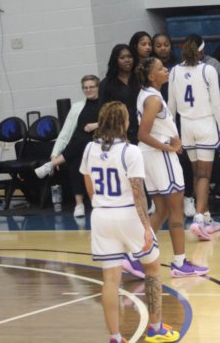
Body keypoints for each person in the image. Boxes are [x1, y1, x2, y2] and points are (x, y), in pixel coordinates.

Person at [79, 101, 180, 343]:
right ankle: (155, 328)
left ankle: (115, 337)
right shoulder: (130, 151)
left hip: (101, 215)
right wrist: (146, 227)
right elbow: (138, 194)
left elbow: (89, 186)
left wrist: (102, 206)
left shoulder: (89, 149)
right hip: (128, 215)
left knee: (110, 280)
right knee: (152, 267)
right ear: (124, 123)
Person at [136, 57, 209, 277]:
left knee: (162, 210)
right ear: (151, 76)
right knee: (177, 211)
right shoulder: (153, 100)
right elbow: (142, 134)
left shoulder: (147, 94)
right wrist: (169, 147)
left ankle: (138, 256)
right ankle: (179, 263)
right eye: (160, 68)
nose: (166, 70)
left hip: (151, 157)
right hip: (160, 156)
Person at [168, 35, 220, 240]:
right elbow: (217, 105)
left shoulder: (174, 71)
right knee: (204, 175)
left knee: (196, 174)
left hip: (186, 126)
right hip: (205, 124)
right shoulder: (208, 70)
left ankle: (207, 217)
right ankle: (199, 219)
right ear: (201, 50)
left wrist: (173, 135)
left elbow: (171, 106)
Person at [35, 75, 101, 218]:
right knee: (76, 156)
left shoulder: (106, 104)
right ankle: (79, 204)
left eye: (91, 87)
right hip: (78, 147)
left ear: (97, 87)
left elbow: (115, 121)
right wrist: (54, 153)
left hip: (99, 143)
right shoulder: (77, 107)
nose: (88, 90)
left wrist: (96, 125)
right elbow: (65, 132)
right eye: (85, 88)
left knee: (83, 140)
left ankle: (50, 166)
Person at [100, 44, 140, 144]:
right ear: (115, 60)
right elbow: (105, 111)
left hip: (142, 129)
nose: (127, 60)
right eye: (122, 58)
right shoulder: (107, 84)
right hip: (120, 132)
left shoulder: (140, 78)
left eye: (129, 57)